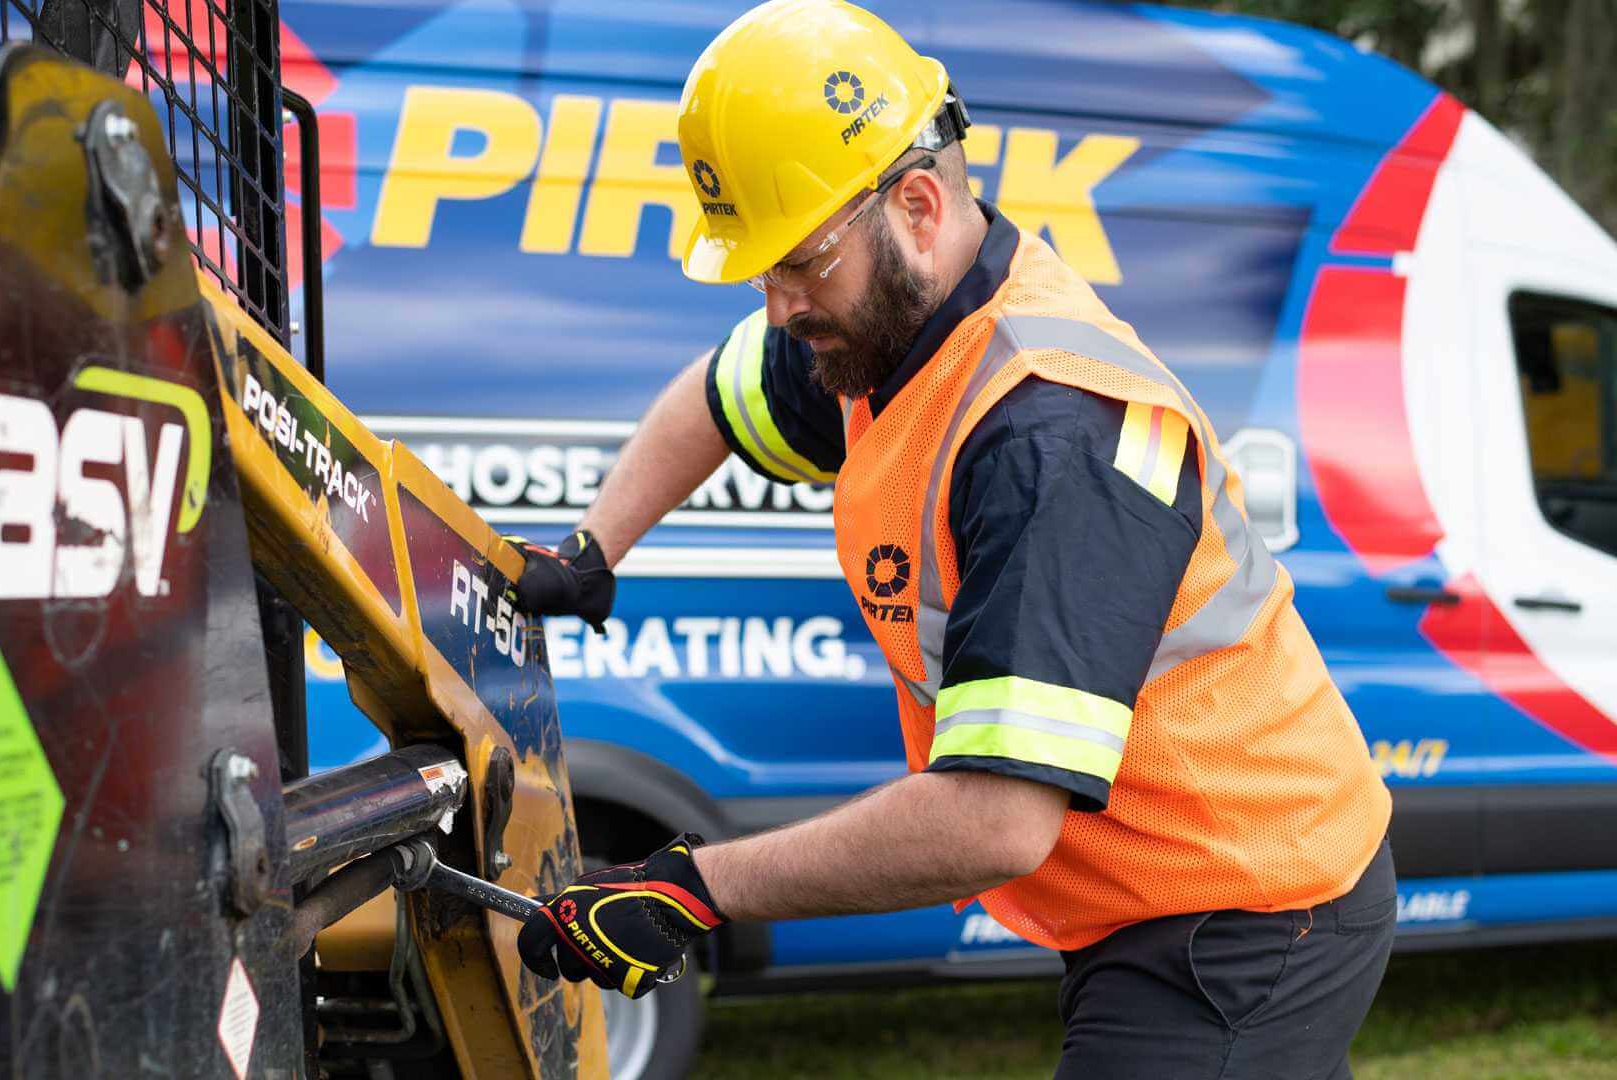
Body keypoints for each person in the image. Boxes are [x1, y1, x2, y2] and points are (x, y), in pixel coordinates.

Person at [510, 1, 1396, 1075]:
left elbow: (994, 822)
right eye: (760, 269)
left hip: (1250, 904)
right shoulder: (883, 328)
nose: (778, 304)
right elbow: (716, 393)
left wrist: (697, 889)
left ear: (919, 205)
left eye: (798, 263)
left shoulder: (1053, 432)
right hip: (1161, 888)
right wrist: (594, 547)